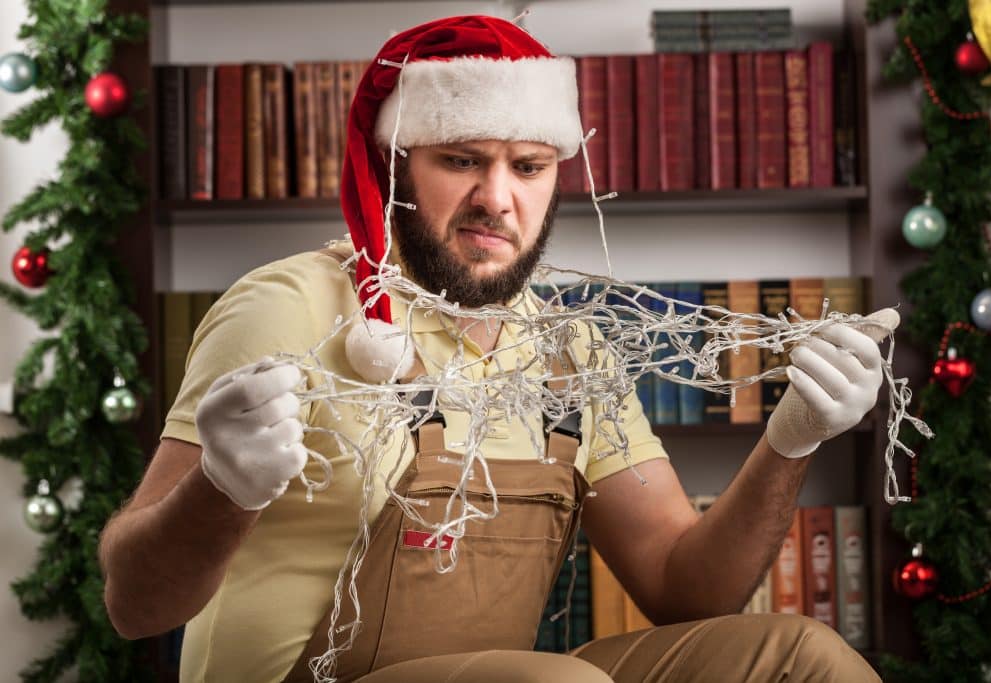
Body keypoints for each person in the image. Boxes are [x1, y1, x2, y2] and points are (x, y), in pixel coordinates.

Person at [99, 15, 885, 683]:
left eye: (528, 167)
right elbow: (133, 604)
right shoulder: (289, 308)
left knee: (805, 658)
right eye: (461, 160)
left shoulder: (570, 352)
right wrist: (221, 487)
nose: (497, 199)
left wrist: (792, 438)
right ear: (396, 166)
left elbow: (686, 590)